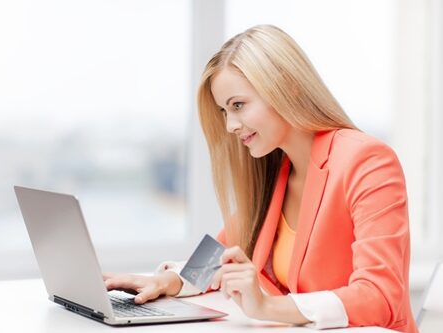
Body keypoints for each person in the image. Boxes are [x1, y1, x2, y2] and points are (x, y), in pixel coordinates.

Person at [103, 24, 418, 332]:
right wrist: (163, 282)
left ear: (287, 88)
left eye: (238, 105)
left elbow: (380, 295)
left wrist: (268, 308)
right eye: (225, 111)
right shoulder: (276, 171)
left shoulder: (367, 161)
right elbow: (218, 256)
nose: (230, 126)